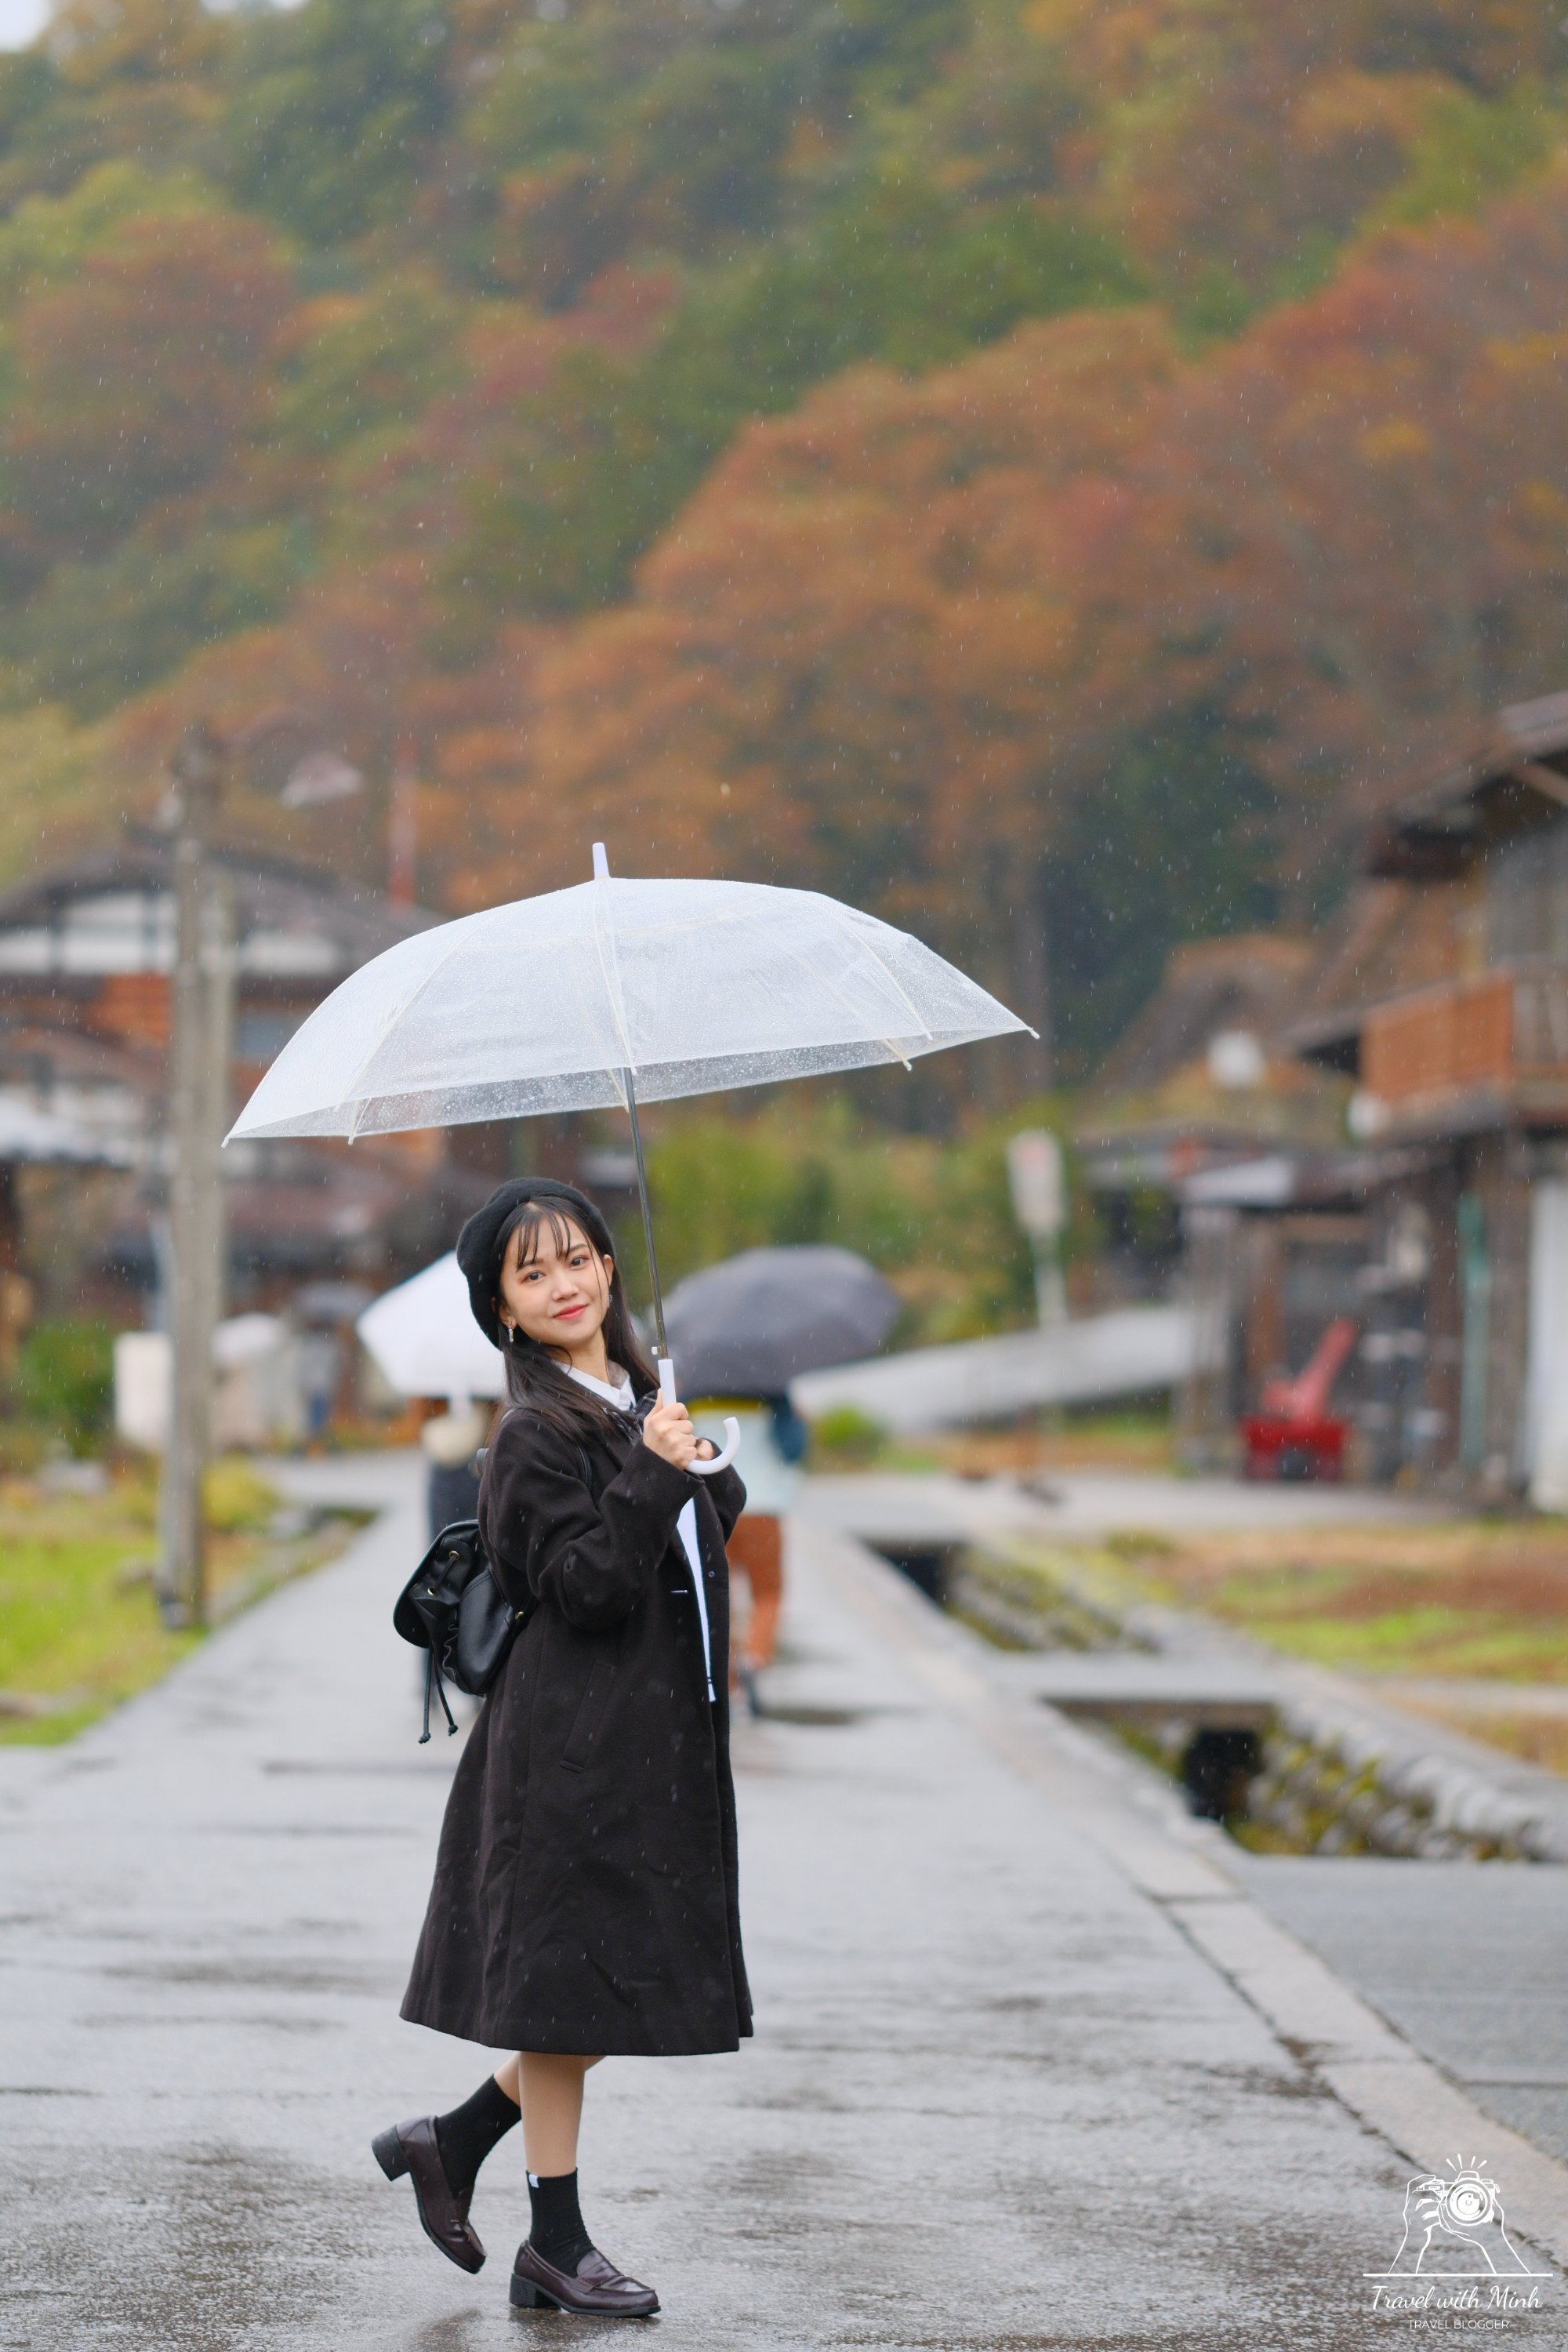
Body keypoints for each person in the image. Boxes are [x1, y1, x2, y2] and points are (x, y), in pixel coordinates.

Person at [374, 1179, 750, 2319]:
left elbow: (702, 1527)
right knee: (564, 1994)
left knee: (598, 1983)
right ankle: (557, 2243)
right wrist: (649, 1465)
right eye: (533, 1273)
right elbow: (586, 1584)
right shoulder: (534, 1431)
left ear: (609, 1271)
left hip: (648, 1744)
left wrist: (684, 1448)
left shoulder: (629, 1395)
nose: (567, 1283)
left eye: (579, 1258)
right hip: (570, 1754)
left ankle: (451, 2139)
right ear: (505, 1310)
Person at [688, 1393, 806, 1708]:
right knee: (769, 1593)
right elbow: (794, 1450)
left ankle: (726, 1677)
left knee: (718, 1593)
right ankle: (753, 1660)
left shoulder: (694, 1397)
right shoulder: (773, 1396)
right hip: (763, 1506)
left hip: (713, 1503)